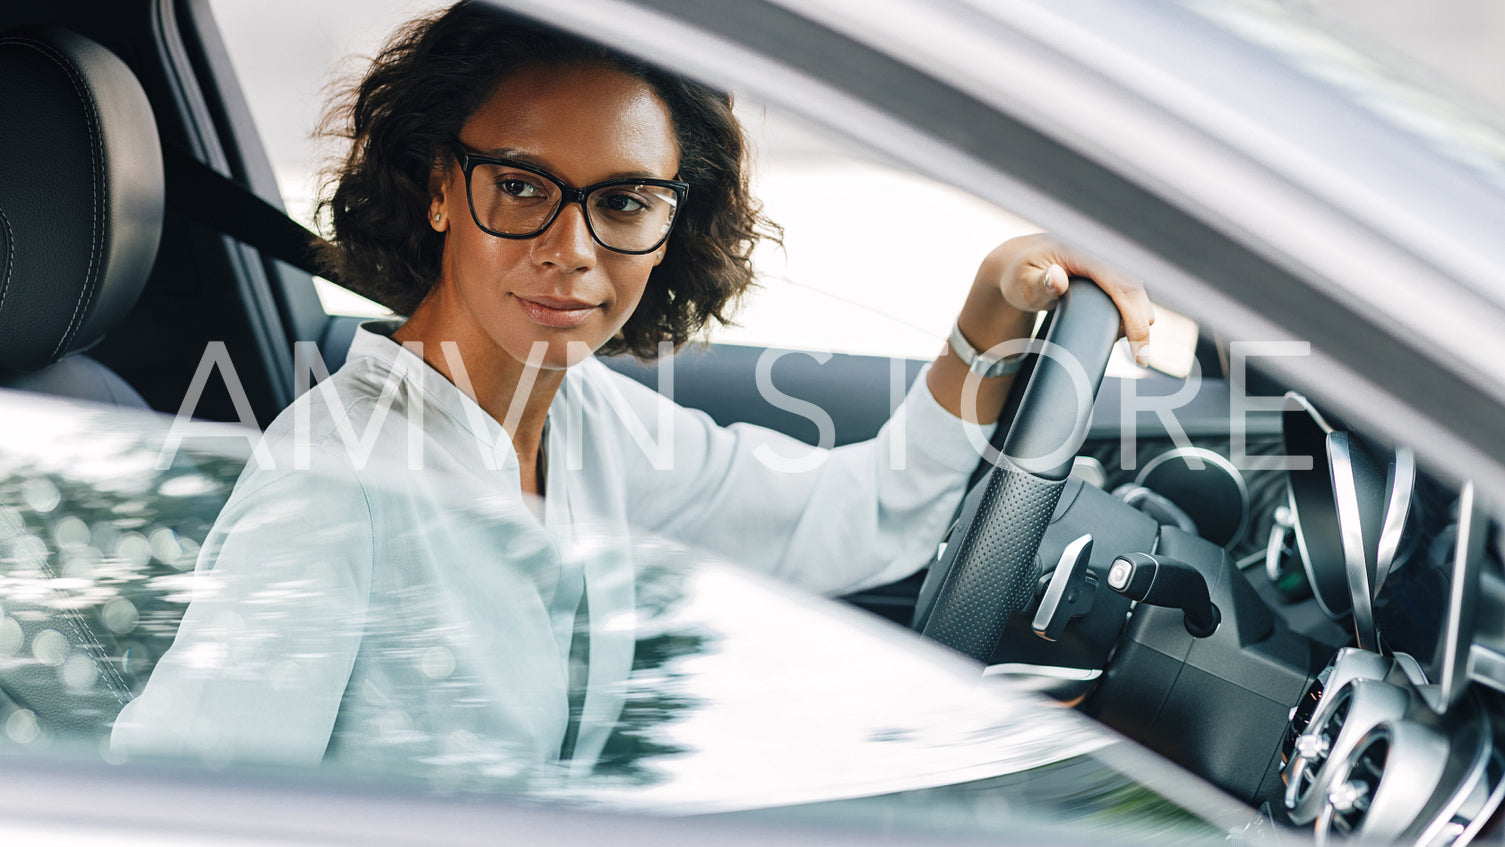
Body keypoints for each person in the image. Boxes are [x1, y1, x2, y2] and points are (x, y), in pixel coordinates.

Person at [110, 1, 1152, 780]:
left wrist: (988, 313)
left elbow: (861, 514)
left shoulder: (590, 421)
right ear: (438, 187)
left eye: (621, 201)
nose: (570, 250)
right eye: (518, 187)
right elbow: (172, 810)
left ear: (669, 225)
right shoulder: (335, 482)